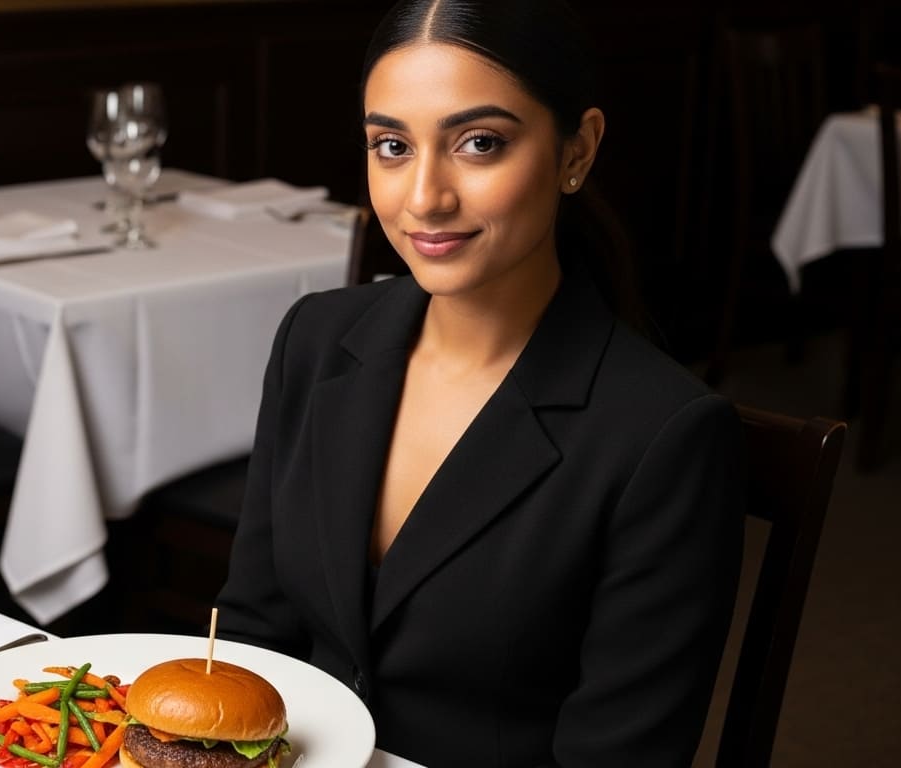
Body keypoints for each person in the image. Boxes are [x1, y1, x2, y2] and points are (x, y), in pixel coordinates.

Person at [214, 1, 744, 765]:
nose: (425, 196)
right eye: (392, 145)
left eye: (479, 143)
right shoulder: (316, 339)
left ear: (578, 150)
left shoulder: (665, 434)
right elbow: (251, 635)